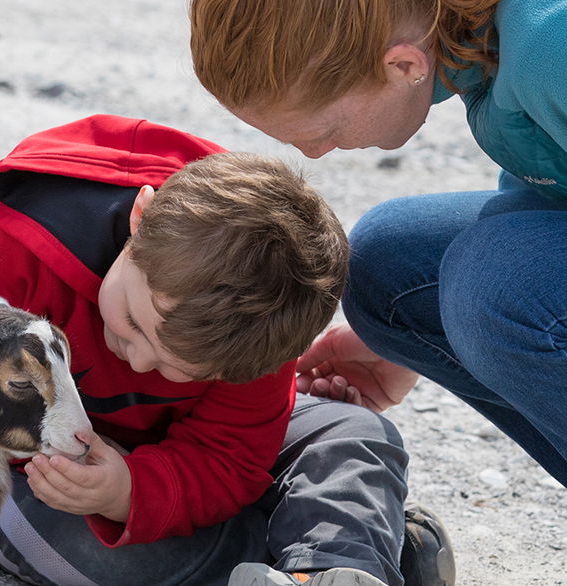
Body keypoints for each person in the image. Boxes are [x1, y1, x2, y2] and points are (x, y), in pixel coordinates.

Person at [0, 114, 452, 586]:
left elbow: (232, 457)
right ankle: (354, 545)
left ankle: (336, 581)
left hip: (192, 453)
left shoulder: (261, 320)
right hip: (42, 466)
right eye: (135, 325)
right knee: (72, 547)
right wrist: (89, 484)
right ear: (140, 220)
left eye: (185, 369)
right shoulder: (18, 245)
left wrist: (131, 489)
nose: (141, 362)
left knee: (354, 427)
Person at [189, 0, 567, 489]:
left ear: (404, 65)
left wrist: (499, 308)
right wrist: (430, 324)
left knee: (496, 283)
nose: (315, 153)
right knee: (386, 270)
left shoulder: (549, 49)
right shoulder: (483, 43)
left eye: (324, 132)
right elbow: (549, 187)